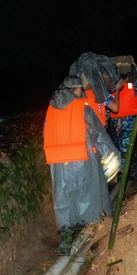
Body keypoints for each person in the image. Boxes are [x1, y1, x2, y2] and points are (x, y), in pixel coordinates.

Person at [43, 76, 120, 255]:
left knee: (63, 199)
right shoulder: (83, 106)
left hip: (57, 162)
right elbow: (98, 134)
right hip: (83, 158)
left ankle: (66, 240)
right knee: (89, 197)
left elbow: (45, 133)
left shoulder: (50, 109)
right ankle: (90, 236)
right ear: (77, 89)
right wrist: (112, 155)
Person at [108, 55, 137, 174]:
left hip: (117, 123)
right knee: (124, 148)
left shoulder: (110, 89)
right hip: (126, 121)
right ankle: (126, 170)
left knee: (122, 148)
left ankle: (126, 170)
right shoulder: (133, 87)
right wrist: (134, 64)